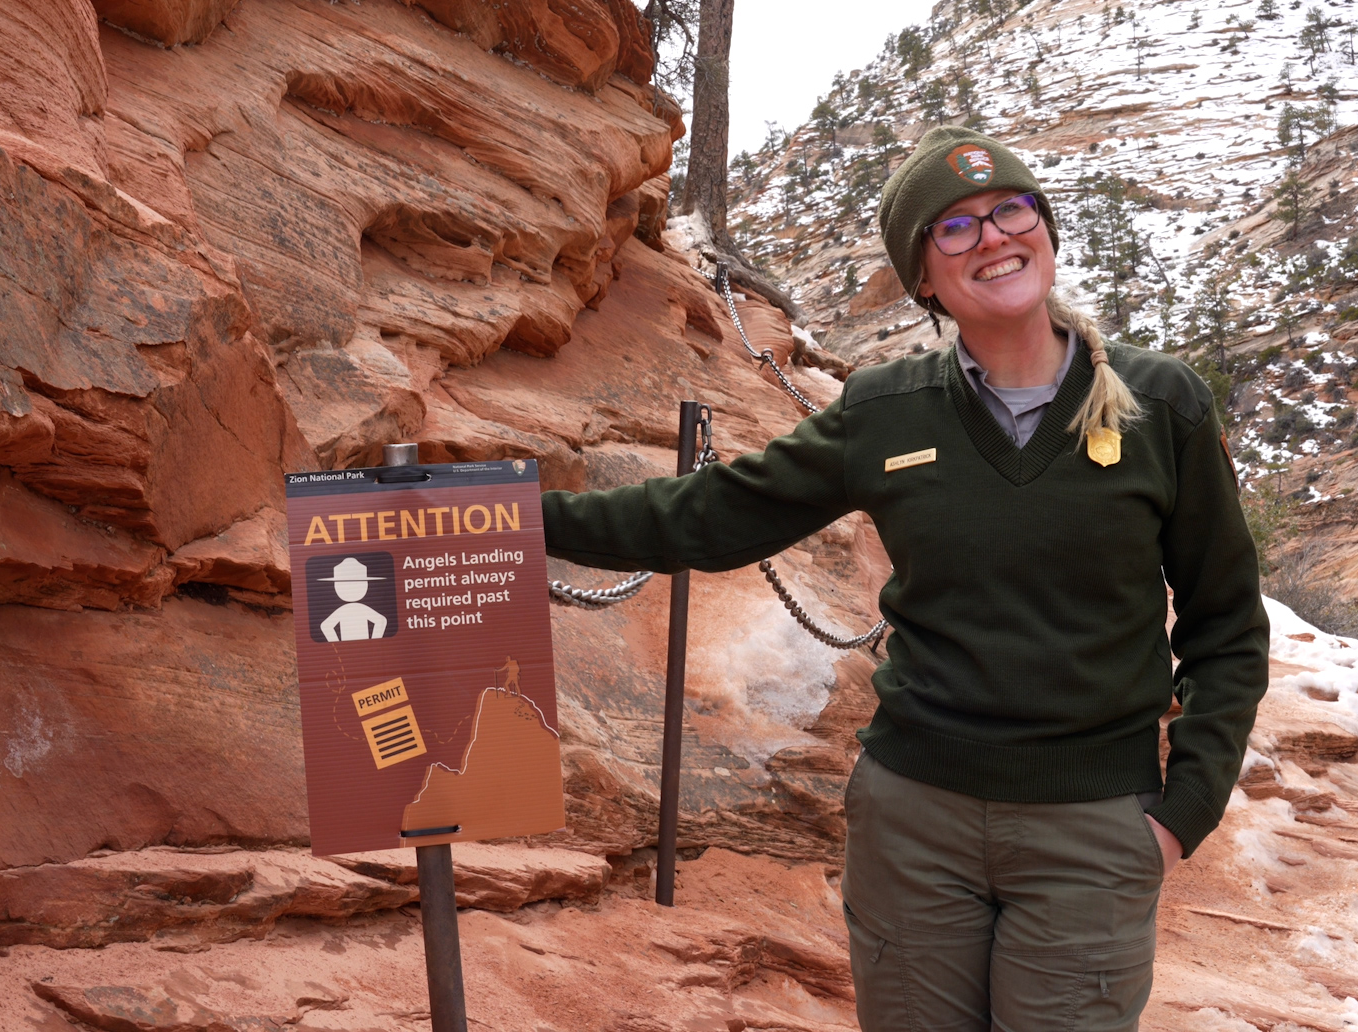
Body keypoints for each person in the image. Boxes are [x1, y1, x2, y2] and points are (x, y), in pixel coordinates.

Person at [542, 126, 1269, 1032]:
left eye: (1012, 210)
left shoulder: (1163, 406)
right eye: (955, 229)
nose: (994, 237)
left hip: (1092, 829)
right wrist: (522, 517)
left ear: (1046, 228)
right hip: (914, 823)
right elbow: (712, 515)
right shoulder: (887, 410)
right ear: (923, 277)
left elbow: (1226, 626)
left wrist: (1180, 814)